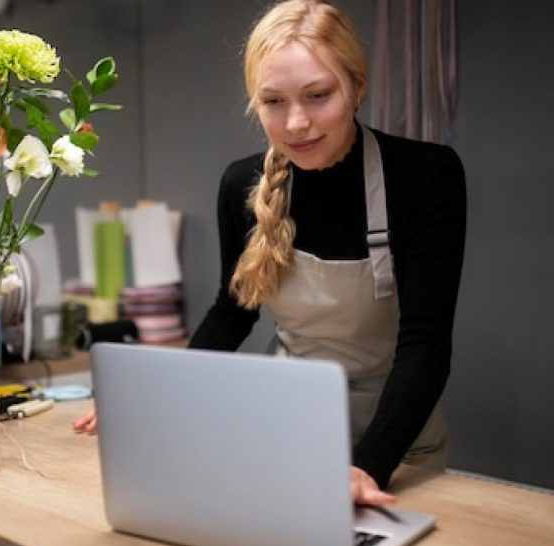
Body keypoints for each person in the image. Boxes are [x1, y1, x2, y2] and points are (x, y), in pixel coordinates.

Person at [74, 0, 466, 507]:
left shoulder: (423, 176)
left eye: (318, 95)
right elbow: (232, 313)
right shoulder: (243, 183)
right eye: (274, 101)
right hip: (287, 434)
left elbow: (426, 345)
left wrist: (367, 466)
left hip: (398, 448)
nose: (297, 122)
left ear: (357, 87)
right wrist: (158, 394)